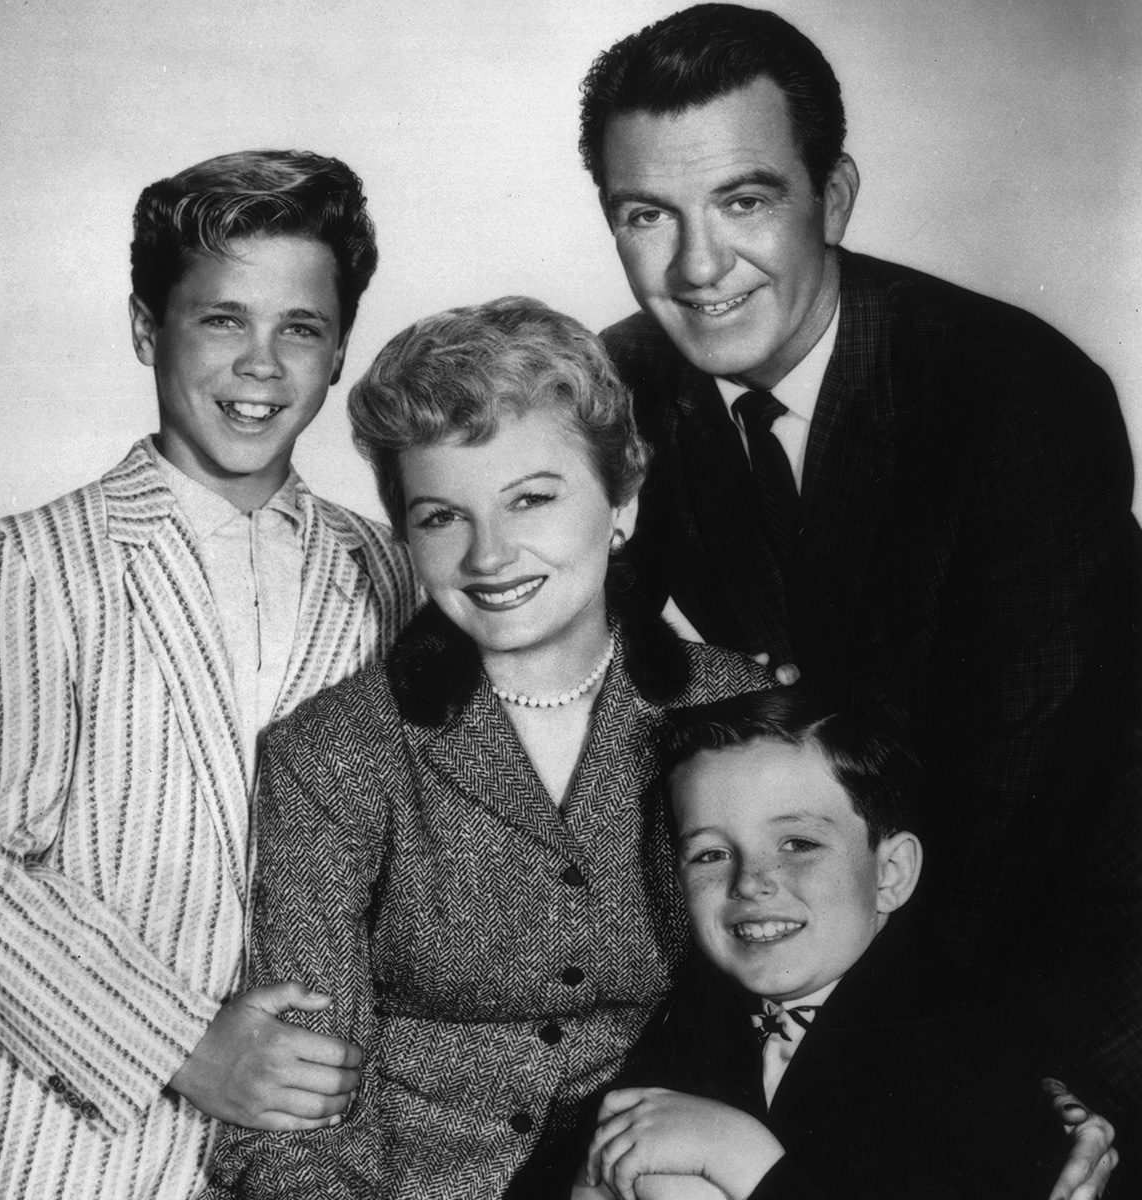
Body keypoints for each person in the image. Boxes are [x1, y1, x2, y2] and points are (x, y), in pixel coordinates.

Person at [578, 2, 1141, 1123]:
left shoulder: (1013, 392)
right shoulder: (616, 393)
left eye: (744, 201)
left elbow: (1027, 793)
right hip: (819, 929)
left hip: (1080, 925)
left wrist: (876, 1081)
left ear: (832, 198)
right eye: (648, 214)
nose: (698, 266)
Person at [203, 297, 772, 1198]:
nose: (490, 556)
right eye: (442, 517)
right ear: (404, 531)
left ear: (622, 501)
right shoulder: (334, 753)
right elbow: (297, 1102)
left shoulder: (740, 708)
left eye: (532, 499)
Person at [0, 150, 417, 1199]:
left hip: (316, 1148)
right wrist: (187, 1046)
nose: (262, 364)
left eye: (301, 328)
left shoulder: (392, 571)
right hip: (72, 1152)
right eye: (222, 320)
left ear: (341, 350)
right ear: (147, 328)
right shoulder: (33, 561)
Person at [579, 688, 1101, 1200]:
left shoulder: (967, 1049)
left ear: (891, 873)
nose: (750, 882)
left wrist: (742, 1159)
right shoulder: (697, 1018)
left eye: (798, 844)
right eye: (710, 854)